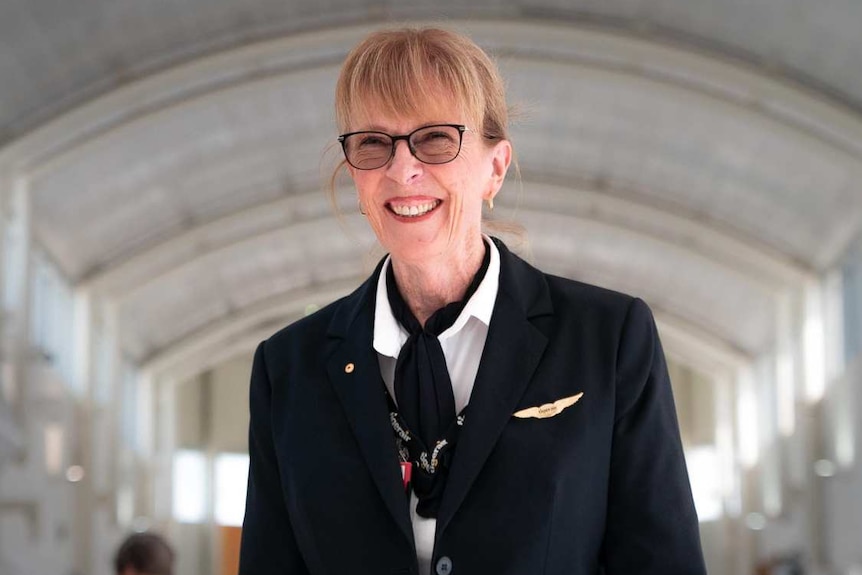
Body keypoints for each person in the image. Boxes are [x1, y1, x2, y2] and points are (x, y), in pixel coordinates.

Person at [239, 27, 706, 575]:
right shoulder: (288, 368)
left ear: (496, 168)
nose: (401, 169)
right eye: (372, 143)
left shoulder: (608, 339)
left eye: (435, 139)